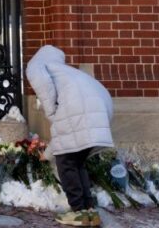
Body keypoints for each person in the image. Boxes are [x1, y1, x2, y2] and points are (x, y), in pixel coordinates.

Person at [26, 45, 114, 227]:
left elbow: (42, 84)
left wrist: (50, 111)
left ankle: (78, 212)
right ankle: (89, 210)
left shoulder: (37, 65)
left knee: (66, 163)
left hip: (78, 112)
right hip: (99, 112)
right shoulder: (69, 73)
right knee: (77, 162)